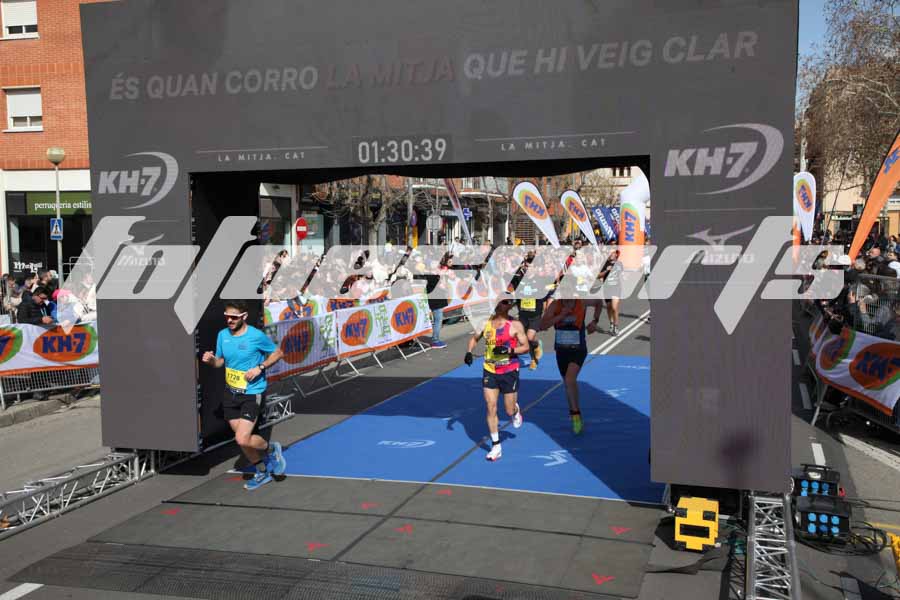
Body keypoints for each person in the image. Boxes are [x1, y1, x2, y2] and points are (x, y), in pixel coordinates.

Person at [201, 300, 287, 491]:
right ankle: (262, 471)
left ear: (244, 317)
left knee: (242, 439)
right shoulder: (222, 335)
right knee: (244, 440)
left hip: (252, 393)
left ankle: (271, 449)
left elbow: (278, 353)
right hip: (231, 394)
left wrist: (260, 367)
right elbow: (220, 362)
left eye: (234, 317)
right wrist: (212, 360)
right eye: (227, 317)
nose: (230, 320)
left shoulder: (256, 336)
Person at [463, 299, 529, 461]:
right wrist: (469, 352)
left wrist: (509, 350)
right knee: (490, 406)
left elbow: (526, 347)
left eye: (504, 303)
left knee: (508, 410)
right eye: (498, 302)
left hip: (509, 370)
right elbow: (474, 339)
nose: (500, 305)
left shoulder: (515, 325)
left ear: (510, 306)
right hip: (490, 370)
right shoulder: (485, 322)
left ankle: (515, 410)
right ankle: (496, 445)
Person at [539, 298, 602, 434]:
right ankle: (575, 410)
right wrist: (560, 315)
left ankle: (575, 416)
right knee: (569, 384)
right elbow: (542, 325)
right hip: (561, 350)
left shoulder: (581, 302)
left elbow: (598, 302)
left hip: (578, 349)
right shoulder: (555, 305)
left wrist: (594, 321)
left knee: (569, 380)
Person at [509, 251, 544, 370]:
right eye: (527, 267)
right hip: (523, 314)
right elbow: (508, 278)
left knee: (529, 338)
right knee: (521, 339)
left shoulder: (540, 280)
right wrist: (518, 267)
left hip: (535, 315)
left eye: (531, 267)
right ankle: (535, 349)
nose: (529, 270)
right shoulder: (519, 279)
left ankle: (534, 359)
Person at [596, 249, 623, 335]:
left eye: (612, 253)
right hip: (607, 288)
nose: (611, 254)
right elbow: (598, 276)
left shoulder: (619, 264)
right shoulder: (604, 264)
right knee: (608, 307)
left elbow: (621, 275)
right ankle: (611, 324)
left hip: (616, 288)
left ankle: (616, 326)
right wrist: (606, 270)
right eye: (609, 253)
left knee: (614, 307)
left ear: (616, 254)